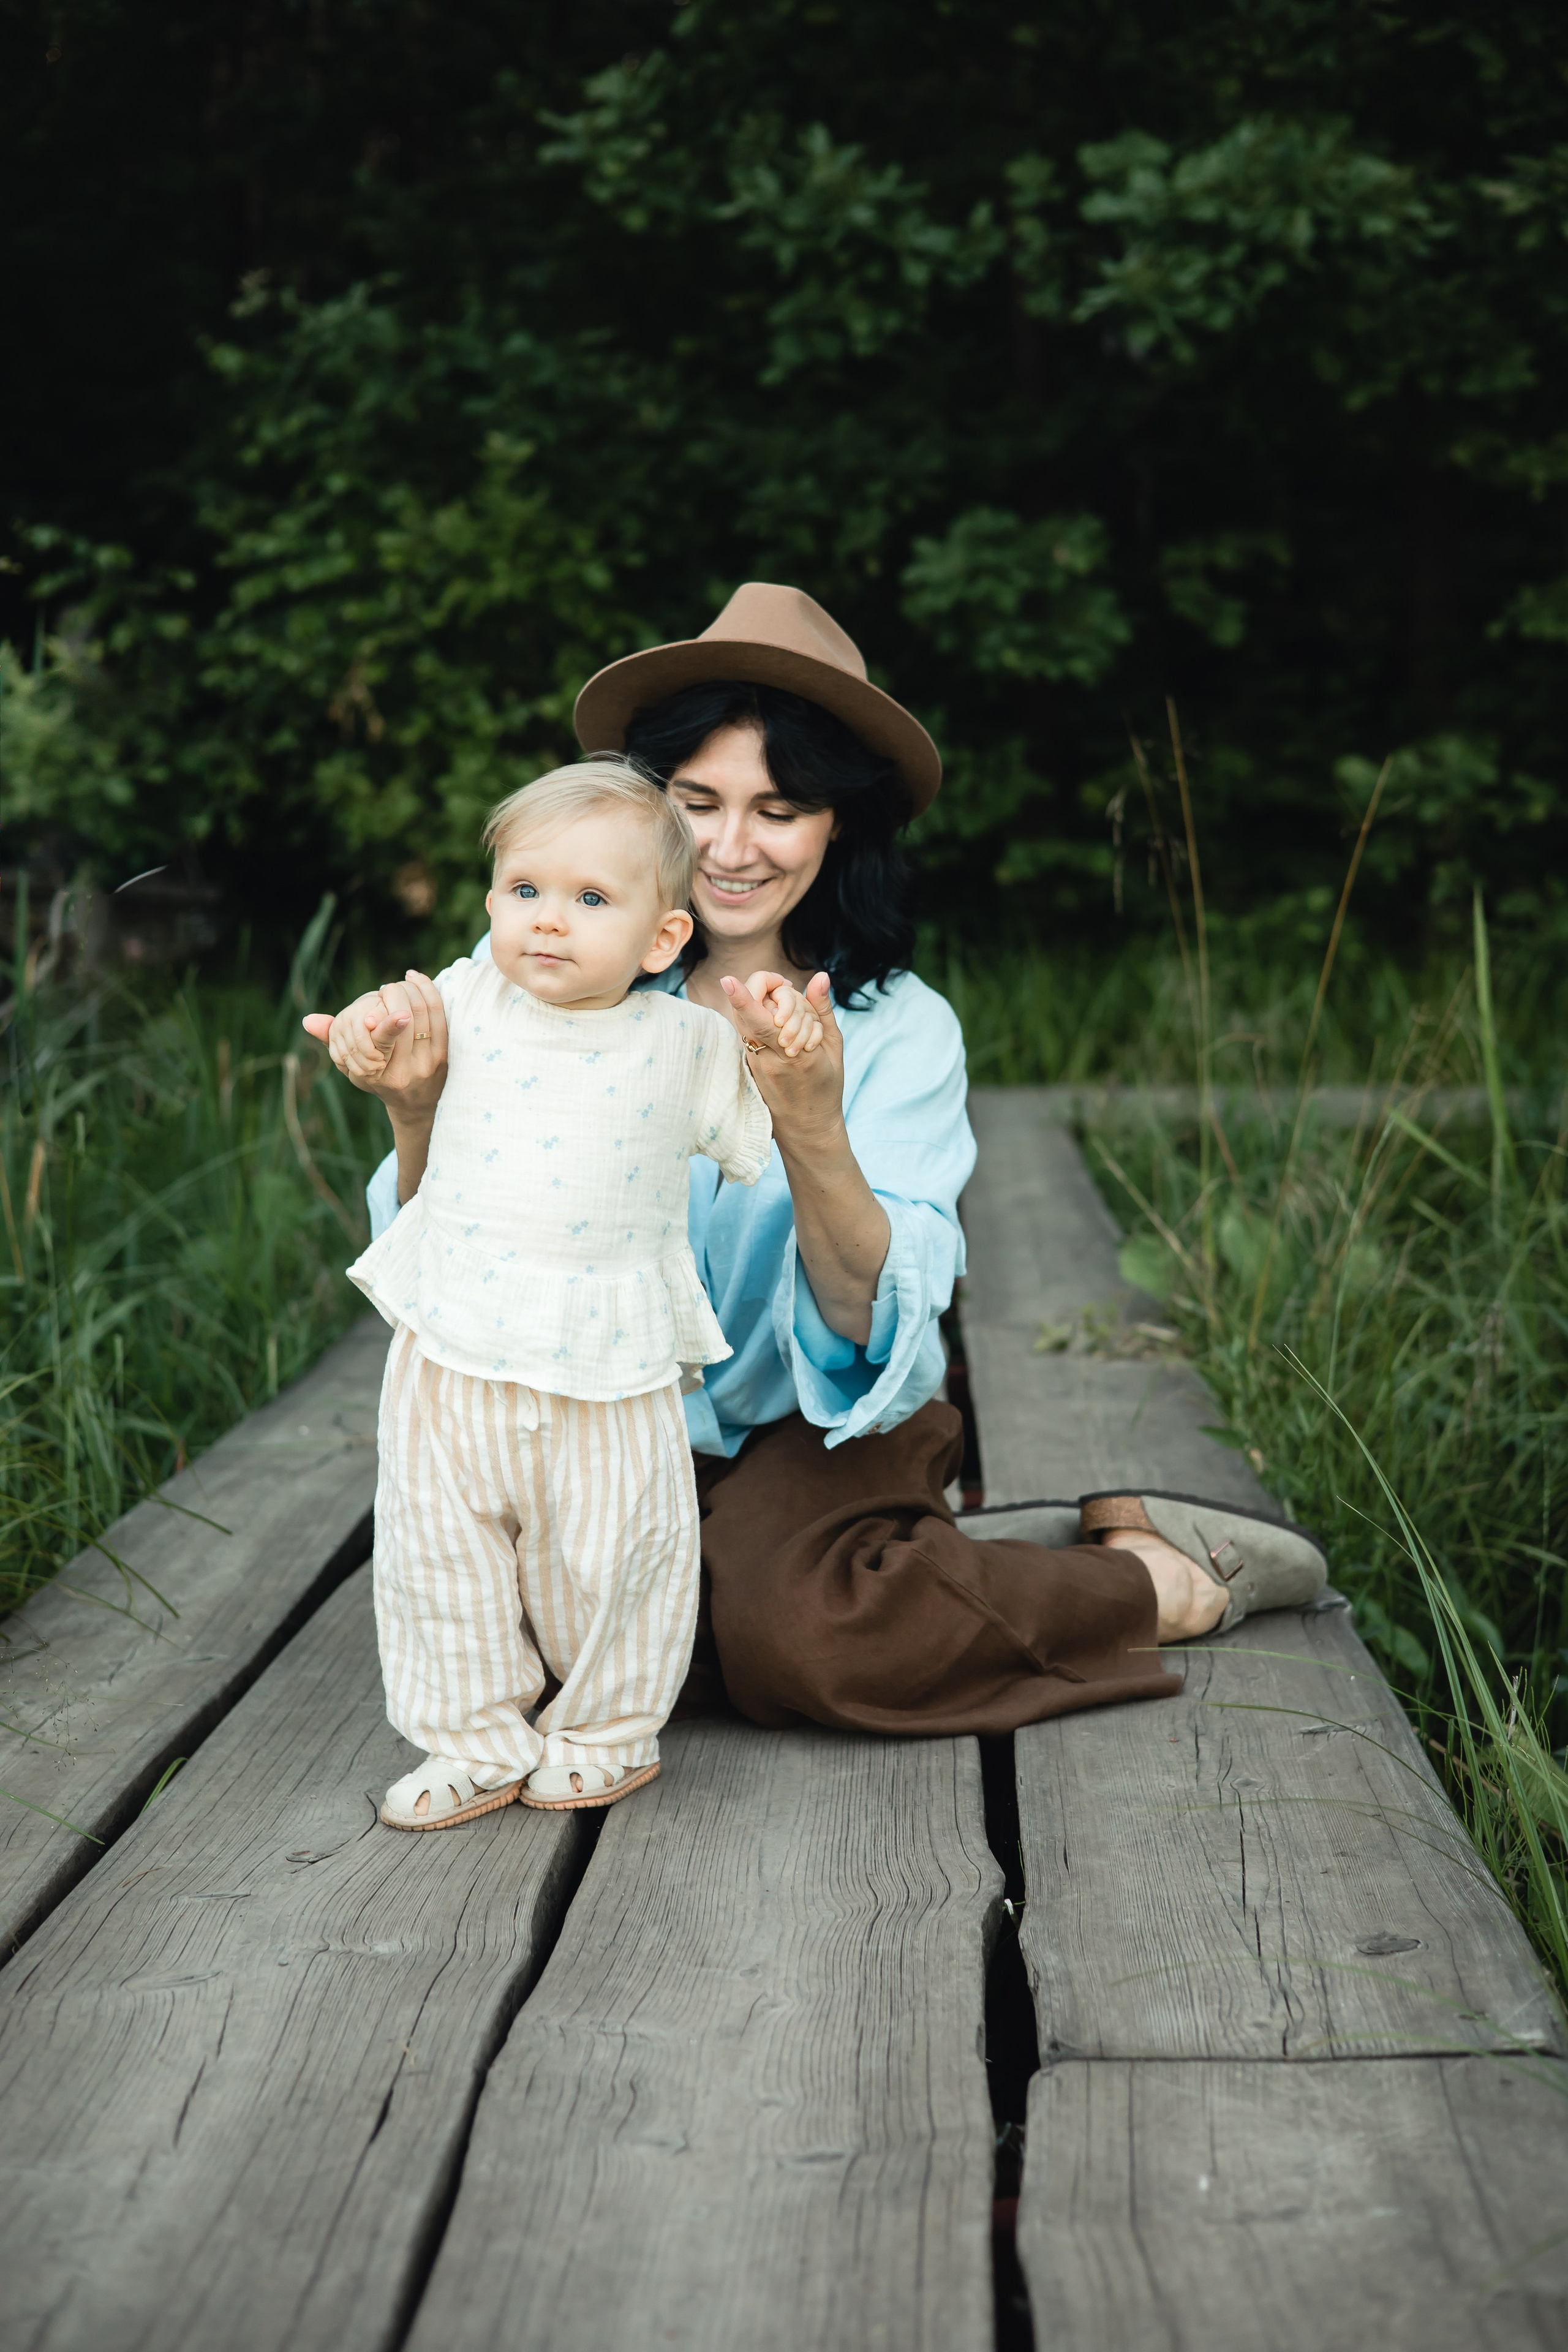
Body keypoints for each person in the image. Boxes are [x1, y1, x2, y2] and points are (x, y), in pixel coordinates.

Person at [331, 582, 1327, 1749]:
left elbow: (874, 1321)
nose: (729, 849)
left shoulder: (902, 1028)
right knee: (542, 1661)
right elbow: (446, 1257)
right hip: (575, 1415)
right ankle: (925, 1559)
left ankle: (1151, 1580)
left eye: (782, 807)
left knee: (794, 1638)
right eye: (695, 801)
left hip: (809, 1431)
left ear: (838, 821)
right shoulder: (542, 967)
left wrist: (809, 1120)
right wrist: (414, 1111)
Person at [306, 758, 823, 1828]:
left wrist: (790, 1043)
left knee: (620, 1546)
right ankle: (472, 1737)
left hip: (611, 1356)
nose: (548, 921)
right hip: (454, 1348)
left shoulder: (687, 1040)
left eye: (591, 901)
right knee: (437, 1550)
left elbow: (764, 1134)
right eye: (524, 891)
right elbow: (387, 1020)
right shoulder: (462, 995)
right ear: (490, 898)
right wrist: (366, 1033)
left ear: (661, 939)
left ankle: (605, 1730)